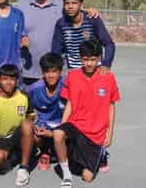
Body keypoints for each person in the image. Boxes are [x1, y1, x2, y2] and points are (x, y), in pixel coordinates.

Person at [53, 39, 120, 187]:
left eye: (93, 59)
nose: (89, 63)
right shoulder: (73, 76)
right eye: (85, 59)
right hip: (76, 125)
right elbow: (70, 102)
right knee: (58, 134)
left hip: (95, 133)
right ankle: (66, 174)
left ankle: (99, 154)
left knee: (87, 177)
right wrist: (63, 125)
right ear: (80, 58)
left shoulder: (108, 77)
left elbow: (111, 106)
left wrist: (110, 133)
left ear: (99, 59)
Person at [18, 0, 100, 86]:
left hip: (59, 72)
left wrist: (91, 11)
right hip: (29, 72)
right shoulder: (22, 4)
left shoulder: (62, 0)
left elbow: (77, 11)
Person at [0, 64, 35, 187]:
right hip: (3, 138)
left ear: (17, 80)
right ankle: (16, 156)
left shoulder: (24, 96)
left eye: (12, 79)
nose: (9, 83)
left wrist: (27, 126)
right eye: (5, 79)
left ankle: (23, 168)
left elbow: (31, 115)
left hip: (20, 134)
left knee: (28, 127)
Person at [52, 0, 115, 72]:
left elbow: (109, 43)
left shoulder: (92, 19)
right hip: (74, 71)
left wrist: (106, 64)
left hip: (95, 70)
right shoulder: (61, 24)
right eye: (67, 3)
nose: (70, 6)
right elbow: (56, 51)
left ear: (81, 5)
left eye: (74, 3)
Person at [26, 52, 66, 170]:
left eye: (54, 71)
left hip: (62, 126)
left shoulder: (67, 86)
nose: (51, 75)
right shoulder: (34, 89)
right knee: (34, 135)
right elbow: (17, 95)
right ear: (43, 72)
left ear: (60, 71)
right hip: (43, 126)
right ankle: (45, 152)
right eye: (47, 72)